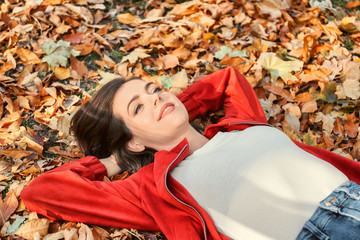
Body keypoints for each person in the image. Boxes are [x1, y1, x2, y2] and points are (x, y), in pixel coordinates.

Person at [21, 67, 360, 240]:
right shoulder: (153, 187)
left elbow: (226, 80)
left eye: (156, 90)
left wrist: (175, 108)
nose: (156, 97)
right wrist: (114, 161)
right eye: (139, 107)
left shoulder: (239, 123)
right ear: (133, 142)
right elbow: (44, 192)